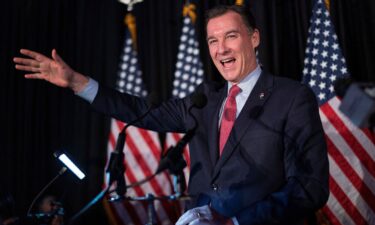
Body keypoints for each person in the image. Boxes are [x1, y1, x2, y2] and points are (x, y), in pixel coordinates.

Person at [13, 4, 329, 225]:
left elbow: (309, 187)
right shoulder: (205, 100)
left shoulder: (291, 97)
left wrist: (234, 221)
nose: (222, 49)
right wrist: (76, 82)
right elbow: (140, 111)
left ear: (254, 38)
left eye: (231, 36)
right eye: (213, 41)